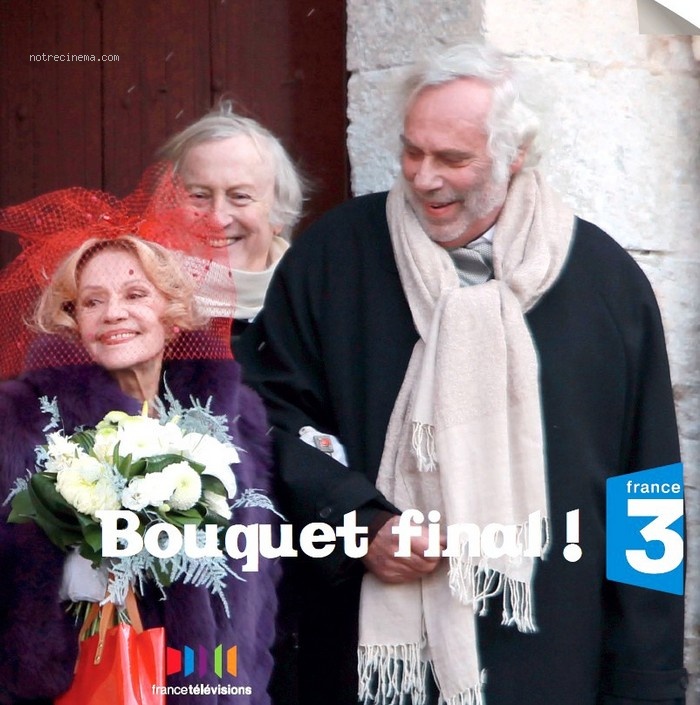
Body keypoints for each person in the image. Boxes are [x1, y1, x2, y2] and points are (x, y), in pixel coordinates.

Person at [236, 41, 687, 705]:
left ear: (515, 155)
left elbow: (646, 492)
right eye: (411, 151)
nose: (423, 178)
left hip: (556, 657)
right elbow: (260, 414)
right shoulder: (334, 257)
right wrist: (356, 522)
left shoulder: (606, 283)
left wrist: (649, 678)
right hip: (373, 663)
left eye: (452, 158)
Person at [0, 231, 279, 705]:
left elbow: (258, 571)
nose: (113, 313)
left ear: (172, 314)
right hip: (87, 685)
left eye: (135, 295)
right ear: (72, 321)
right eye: (92, 302)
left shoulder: (235, 413)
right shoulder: (21, 419)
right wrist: (85, 565)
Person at [158, 102, 306, 340]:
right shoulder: (134, 309)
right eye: (199, 196)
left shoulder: (313, 305)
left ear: (279, 213)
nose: (217, 219)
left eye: (240, 196)